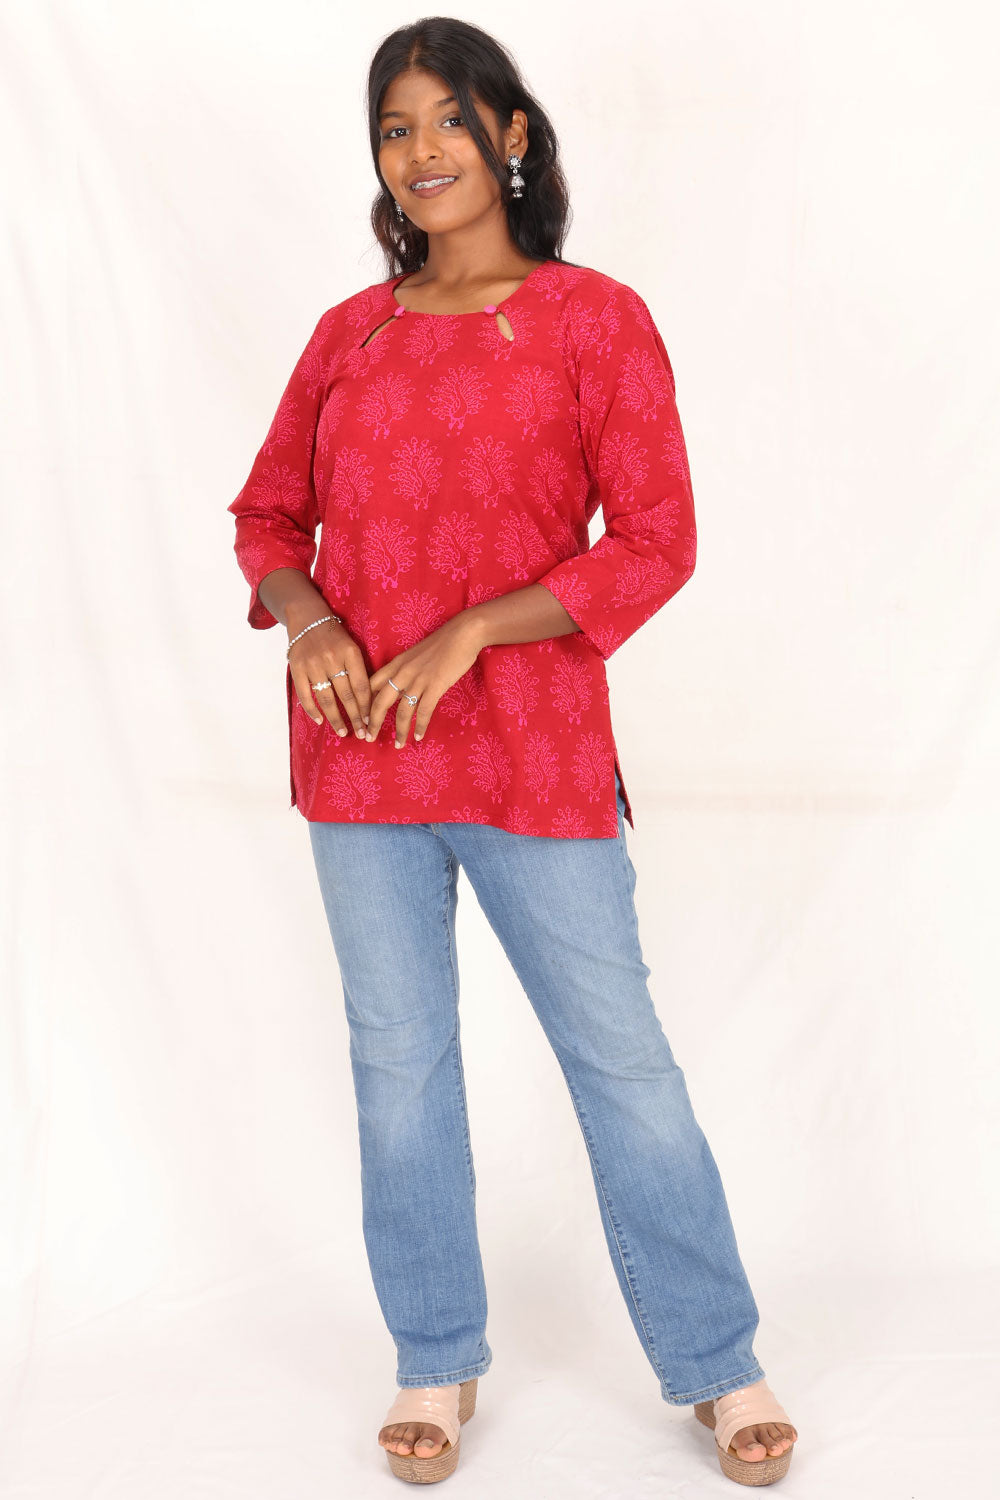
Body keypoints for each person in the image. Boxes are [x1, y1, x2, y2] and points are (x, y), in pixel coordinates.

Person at [227, 16, 799, 1489]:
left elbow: (658, 539)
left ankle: (718, 1362)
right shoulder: (348, 334)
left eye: (447, 121)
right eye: (394, 128)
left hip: (533, 757)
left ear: (513, 136)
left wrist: (475, 628)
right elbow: (267, 515)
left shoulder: (593, 320)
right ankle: (434, 1354)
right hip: (360, 761)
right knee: (399, 1067)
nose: (421, 152)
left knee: (621, 1061)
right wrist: (308, 619)